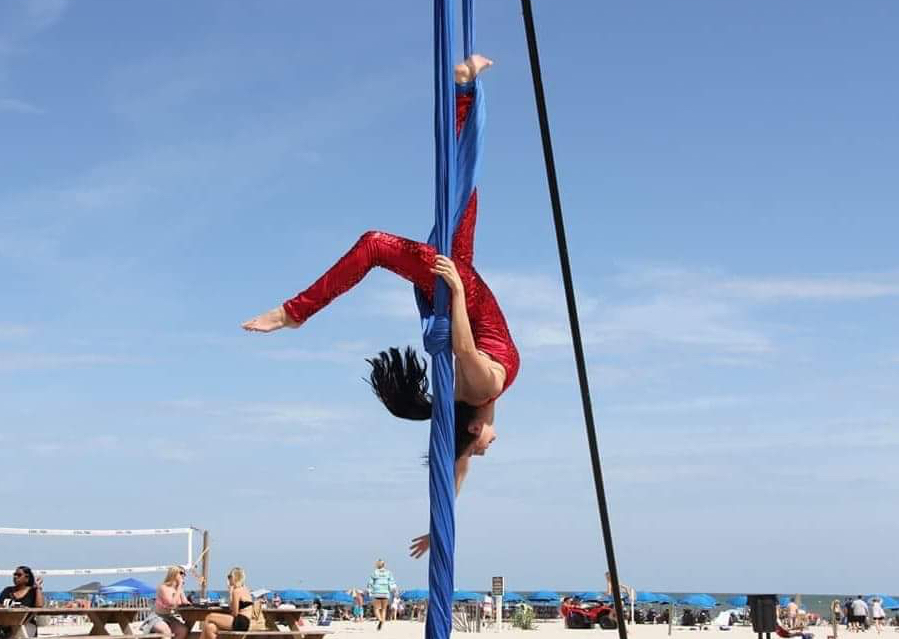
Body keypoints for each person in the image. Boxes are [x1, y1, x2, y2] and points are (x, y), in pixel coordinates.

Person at [241, 54, 519, 560]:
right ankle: (462, 88)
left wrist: (456, 293)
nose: (487, 450)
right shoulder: (475, 406)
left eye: (482, 446)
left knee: (375, 243)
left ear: (474, 429)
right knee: (464, 192)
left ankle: (294, 313)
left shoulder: (483, 390)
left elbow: (464, 347)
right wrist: (438, 526)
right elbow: (456, 468)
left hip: (458, 288)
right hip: (456, 286)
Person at [200, 568, 254, 639]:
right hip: (245, 622)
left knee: (209, 616)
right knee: (210, 627)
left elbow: (234, 613)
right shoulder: (246, 589)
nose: (228, 579)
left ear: (234, 577)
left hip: (240, 622)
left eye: (229, 577)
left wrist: (231, 593)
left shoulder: (236, 591)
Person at [140, 567, 190, 639]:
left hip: (169, 617)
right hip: (157, 617)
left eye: (184, 573)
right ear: (173, 573)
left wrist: (180, 589)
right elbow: (171, 604)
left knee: (183, 630)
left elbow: (185, 602)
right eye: (181, 573)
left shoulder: (178, 589)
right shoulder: (163, 587)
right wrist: (179, 586)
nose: (183, 575)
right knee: (166, 632)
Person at [0, 566, 44, 639]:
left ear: (27, 578)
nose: (15, 577)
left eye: (19, 575)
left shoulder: (32, 591)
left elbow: (39, 606)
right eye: (14, 574)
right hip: (6, 624)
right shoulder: (8, 590)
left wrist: (38, 587)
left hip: (26, 624)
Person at [367, 560, 396, 630]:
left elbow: (370, 583)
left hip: (376, 592)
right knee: (384, 609)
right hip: (385, 593)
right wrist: (393, 589)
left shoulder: (374, 572)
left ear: (377, 565)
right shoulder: (388, 572)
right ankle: (382, 622)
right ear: (384, 565)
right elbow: (391, 582)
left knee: (376, 609)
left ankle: (380, 620)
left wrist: (370, 592)